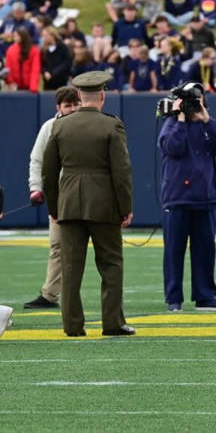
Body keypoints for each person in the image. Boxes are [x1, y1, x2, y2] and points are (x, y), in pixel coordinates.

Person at [42, 71, 134, 337]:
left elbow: (48, 173)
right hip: (104, 205)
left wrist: (54, 208)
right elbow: (122, 173)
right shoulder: (111, 126)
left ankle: (72, 325)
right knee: (111, 264)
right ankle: (113, 323)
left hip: (69, 204)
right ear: (102, 95)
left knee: (70, 267)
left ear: (80, 96)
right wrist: (125, 207)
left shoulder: (60, 126)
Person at [158, 82, 216, 311]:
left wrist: (206, 119)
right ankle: (174, 299)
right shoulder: (170, 124)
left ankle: (205, 296)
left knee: (205, 250)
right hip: (177, 198)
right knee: (173, 251)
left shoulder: (206, 124)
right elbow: (173, 147)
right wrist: (179, 118)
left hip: (204, 197)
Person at [24, 87, 81, 309]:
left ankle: (112, 299)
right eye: (68, 105)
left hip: (90, 196)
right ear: (59, 107)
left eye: (76, 104)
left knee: (102, 249)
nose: (73, 109)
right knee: (57, 245)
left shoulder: (89, 125)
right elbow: (37, 160)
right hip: (60, 198)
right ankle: (50, 295)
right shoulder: (49, 127)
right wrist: (35, 188)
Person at [5, 27, 41, 93]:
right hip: (15, 86)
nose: (14, 38)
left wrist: (33, 87)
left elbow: (35, 69)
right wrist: (10, 82)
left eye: (16, 35)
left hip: (29, 87)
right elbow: (9, 68)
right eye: (14, 35)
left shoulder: (34, 50)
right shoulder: (10, 50)